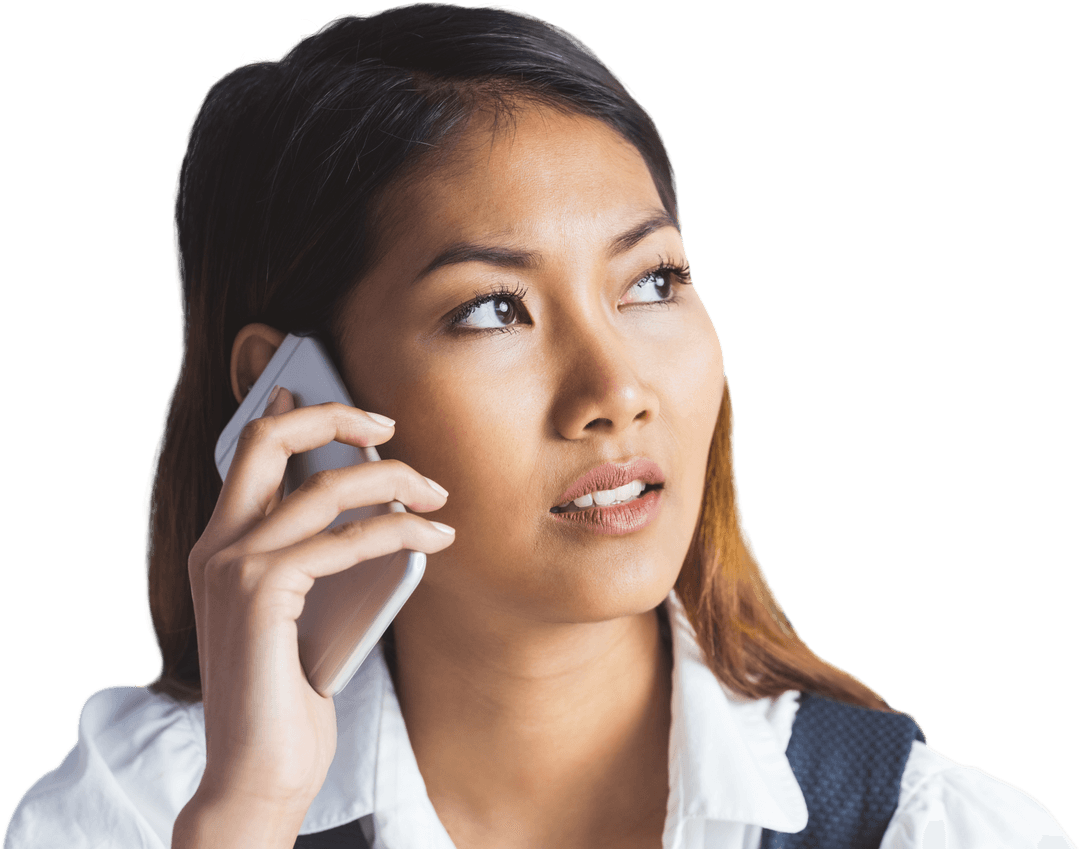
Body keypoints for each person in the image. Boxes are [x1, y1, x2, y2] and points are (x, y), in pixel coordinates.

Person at [3, 5, 1073, 848]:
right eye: (490, 309)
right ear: (290, 398)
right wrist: (249, 809)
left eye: (654, 281)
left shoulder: (926, 830)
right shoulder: (148, 811)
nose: (614, 388)